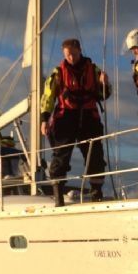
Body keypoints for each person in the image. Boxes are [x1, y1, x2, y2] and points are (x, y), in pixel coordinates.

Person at [41, 38, 111, 205]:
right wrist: (44, 119)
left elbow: (103, 95)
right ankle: (58, 196)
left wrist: (104, 84)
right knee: (61, 156)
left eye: (73, 54)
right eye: (67, 55)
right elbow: (48, 97)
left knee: (95, 155)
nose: (70, 57)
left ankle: (96, 193)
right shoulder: (58, 73)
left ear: (79, 51)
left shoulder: (94, 70)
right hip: (66, 118)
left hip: (89, 117)